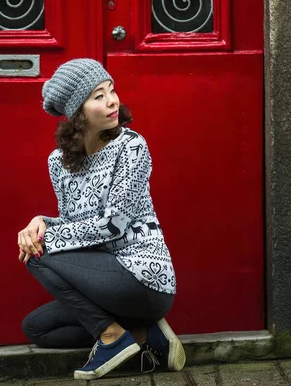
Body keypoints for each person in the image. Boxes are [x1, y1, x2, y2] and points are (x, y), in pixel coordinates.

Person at [18, 58, 186, 380]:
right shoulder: (59, 162)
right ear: (77, 112)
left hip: (143, 278)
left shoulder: (132, 146)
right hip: (101, 281)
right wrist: (40, 222)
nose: (112, 101)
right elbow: (73, 226)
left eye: (112, 90)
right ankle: (144, 336)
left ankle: (111, 337)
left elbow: (112, 226)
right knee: (37, 328)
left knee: (36, 254)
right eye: (98, 95)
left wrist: (41, 238)